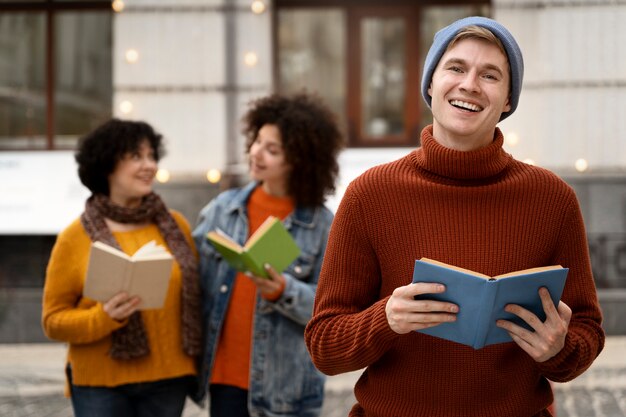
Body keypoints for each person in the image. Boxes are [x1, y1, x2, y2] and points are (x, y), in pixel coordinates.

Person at [304, 16, 605, 417]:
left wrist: (559, 349)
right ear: (431, 84)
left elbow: (587, 329)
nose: (469, 84)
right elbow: (324, 346)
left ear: (509, 100)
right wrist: (386, 319)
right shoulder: (369, 195)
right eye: (456, 68)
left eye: (491, 75)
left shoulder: (553, 200)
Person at [192, 92, 343, 417]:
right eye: (258, 141)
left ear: (299, 161)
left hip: (287, 390)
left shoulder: (321, 225)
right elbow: (192, 280)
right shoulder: (224, 209)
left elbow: (332, 310)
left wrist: (282, 291)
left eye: (272, 150)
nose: (256, 154)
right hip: (225, 380)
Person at [42, 119, 202, 417]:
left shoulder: (176, 226)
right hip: (100, 385)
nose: (149, 165)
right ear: (107, 165)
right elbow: (52, 321)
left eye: (152, 155)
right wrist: (104, 317)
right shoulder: (74, 237)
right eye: (135, 156)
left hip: (169, 380)